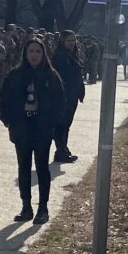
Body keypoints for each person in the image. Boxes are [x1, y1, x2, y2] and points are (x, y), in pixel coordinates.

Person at [0, 35, 66, 224]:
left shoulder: (51, 76)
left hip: (42, 128)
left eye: (38, 51)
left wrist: (51, 123)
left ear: (43, 53)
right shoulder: (15, 75)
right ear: (24, 54)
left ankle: (42, 207)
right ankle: (26, 206)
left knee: (42, 167)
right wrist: (9, 122)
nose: (34, 55)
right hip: (22, 128)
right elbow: (5, 100)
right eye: (30, 51)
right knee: (24, 168)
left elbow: (61, 103)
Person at [51, 30, 86, 163]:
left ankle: (63, 149)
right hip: (64, 96)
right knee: (61, 125)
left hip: (73, 95)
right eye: (68, 40)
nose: (71, 43)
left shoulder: (72, 55)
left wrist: (81, 91)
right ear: (62, 41)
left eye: (73, 40)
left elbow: (77, 76)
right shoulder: (60, 56)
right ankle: (61, 151)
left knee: (66, 124)